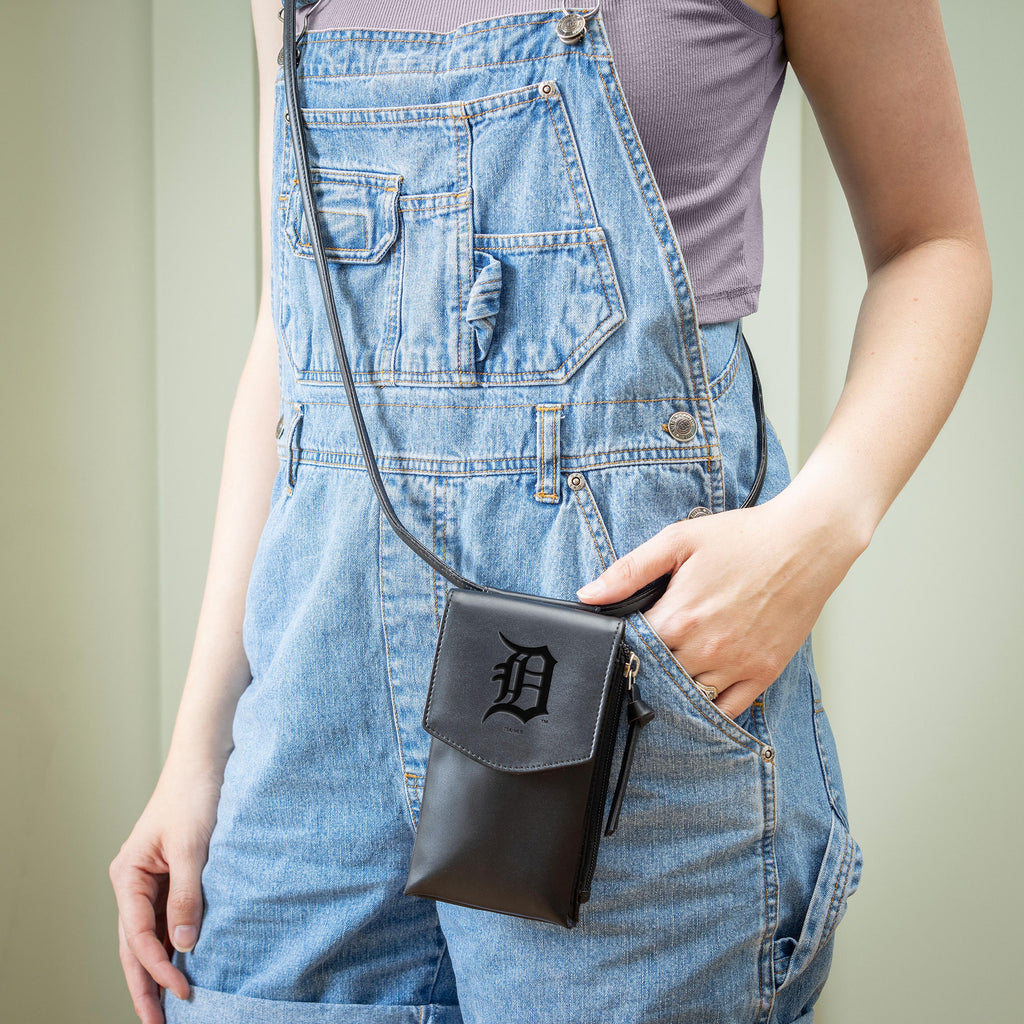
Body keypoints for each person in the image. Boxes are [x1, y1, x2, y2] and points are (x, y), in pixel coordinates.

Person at [109, 2, 991, 1022]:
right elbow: (295, 333)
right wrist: (198, 750)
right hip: (316, 708)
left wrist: (822, 526)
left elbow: (934, 240)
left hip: (627, 691)